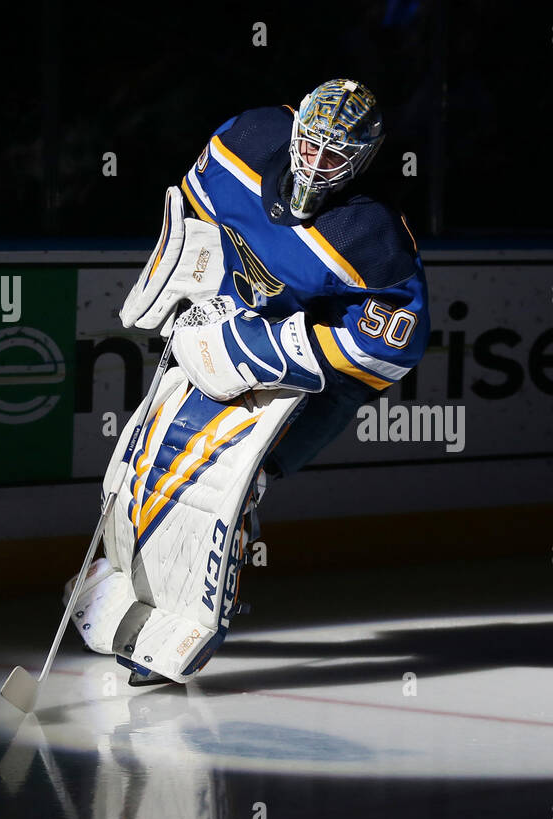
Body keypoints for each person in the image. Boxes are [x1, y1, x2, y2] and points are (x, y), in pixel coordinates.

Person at [68, 79, 430, 685]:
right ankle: (128, 584)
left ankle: (191, 616)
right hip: (225, 320)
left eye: (334, 155)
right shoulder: (248, 138)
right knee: (142, 461)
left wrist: (259, 347)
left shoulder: (371, 238)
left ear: (363, 160)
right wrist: (182, 282)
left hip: (315, 373)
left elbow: (394, 343)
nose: (315, 163)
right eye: (309, 144)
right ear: (294, 131)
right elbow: (192, 206)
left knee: (230, 482)